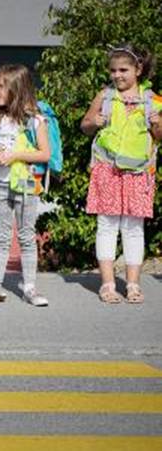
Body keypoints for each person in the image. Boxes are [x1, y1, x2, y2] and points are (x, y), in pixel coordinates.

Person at [80, 44, 162, 304]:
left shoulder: (153, 101)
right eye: (113, 70)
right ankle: (107, 284)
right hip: (107, 169)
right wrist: (94, 122)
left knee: (134, 228)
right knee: (107, 226)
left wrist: (157, 125)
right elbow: (85, 125)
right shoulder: (104, 96)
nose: (117, 75)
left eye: (124, 70)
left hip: (139, 172)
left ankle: (133, 284)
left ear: (138, 70)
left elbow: (159, 137)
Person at [0, 64, 50, 307]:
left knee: (27, 237)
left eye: (1, 87)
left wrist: (15, 155)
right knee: (1, 237)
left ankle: (29, 287)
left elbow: (44, 154)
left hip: (26, 186)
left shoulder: (35, 120)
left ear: (17, 89)